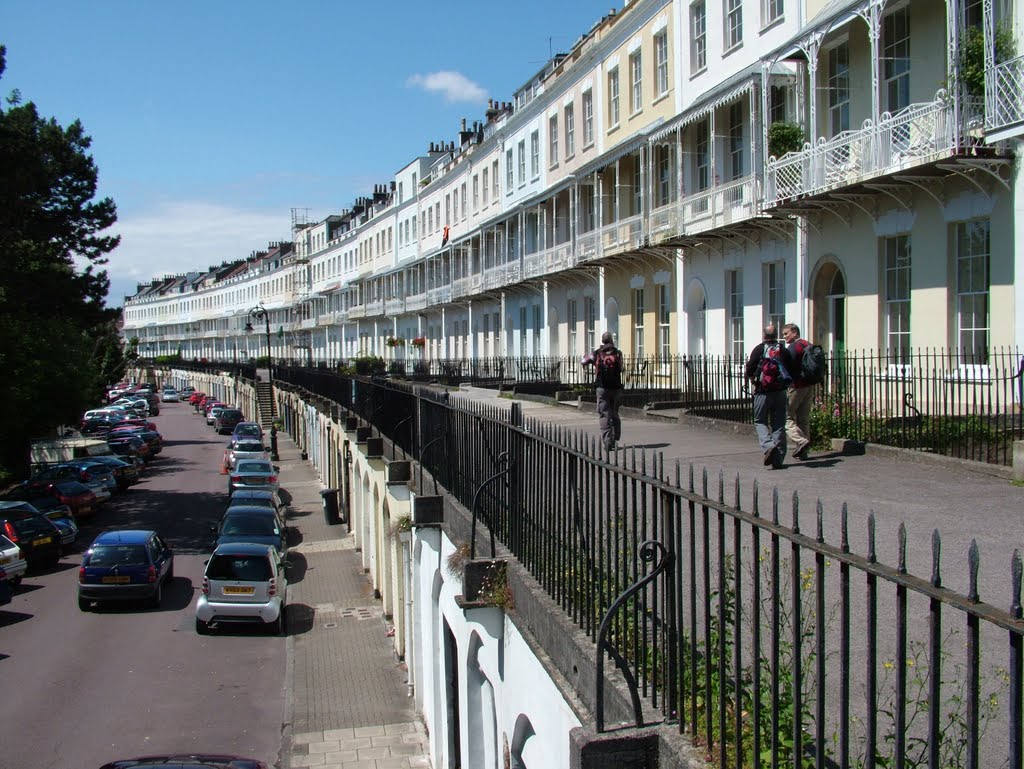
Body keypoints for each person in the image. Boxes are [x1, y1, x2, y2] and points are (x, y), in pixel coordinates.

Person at [744, 324, 793, 469]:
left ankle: (768, 445)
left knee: (760, 421)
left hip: (762, 391)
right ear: (776, 335)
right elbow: (790, 368)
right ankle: (778, 459)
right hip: (780, 391)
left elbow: (750, 368)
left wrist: (752, 379)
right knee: (778, 424)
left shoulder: (759, 349)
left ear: (764, 336)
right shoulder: (782, 350)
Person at [582, 331, 623, 450]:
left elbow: (583, 361)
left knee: (604, 414)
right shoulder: (618, 353)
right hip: (615, 388)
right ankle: (615, 439)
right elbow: (621, 367)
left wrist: (589, 362)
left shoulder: (597, 353)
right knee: (614, 413)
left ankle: (607, 442)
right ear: (611, 340)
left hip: (602, 388)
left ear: (602, 340)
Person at [782, 323, 813, 460]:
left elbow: (786, 366)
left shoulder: (794, 348)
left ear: (795, 332)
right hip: (809, 385)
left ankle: (801, 441)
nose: (784, 337)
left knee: (787, 417)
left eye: (786, 333)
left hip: (796, 386)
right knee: (803, 420)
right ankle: (803, 452)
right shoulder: (808, 344)